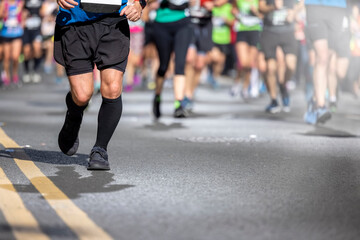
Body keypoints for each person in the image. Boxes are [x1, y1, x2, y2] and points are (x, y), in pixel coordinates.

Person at [55, 0, 146, 170]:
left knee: (112, 88)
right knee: (82, 95)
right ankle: (73, 116)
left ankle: (100, 149)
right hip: (75, 22)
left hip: (114, 21)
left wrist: (140, 3)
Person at [303, 0, 350, 124]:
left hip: (337, 7)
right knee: (322, 57)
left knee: (329, 57)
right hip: (315, 6)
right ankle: (320, 106)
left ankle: (314, 99)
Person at [151, 0, 192, 118]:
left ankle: (179, 104)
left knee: (180, 63)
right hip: (161, 23)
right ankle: (157, 96)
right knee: (163, 66)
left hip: (183, 22)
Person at [259, 0, 297, 113]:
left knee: (291, 66)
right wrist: (273, 7)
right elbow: (260, 7)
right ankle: (274, 99)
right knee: (270, 68)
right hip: (270, 31)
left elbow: (301, 3)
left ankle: (283, 86)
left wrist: (293, 12)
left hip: (287, 31)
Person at [0, 0, 24, 87]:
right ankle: (6, 76)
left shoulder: (19, 2)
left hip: (17, 32)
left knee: (15, 57)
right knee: (6, 57)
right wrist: (4, 14)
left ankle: (15, 74)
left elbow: (22, 15)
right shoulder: (4, 3)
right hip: (5, 33)